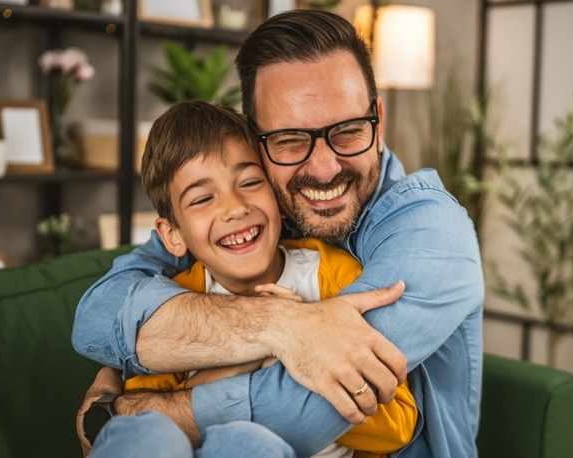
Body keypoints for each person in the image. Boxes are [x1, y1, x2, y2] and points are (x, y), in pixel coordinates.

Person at [73, 9, 484, 458]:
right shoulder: (259, 207)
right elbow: (99, 316)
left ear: (378, 120)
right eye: (290, 140)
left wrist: (139, 409)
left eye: (347, 131)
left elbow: (307, 412)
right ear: (257, 141)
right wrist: (285, 324)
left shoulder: (431, 232)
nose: (324, 168)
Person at [84, 101, 417, 458]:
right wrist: (258, 350)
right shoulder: (173, 302)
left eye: (250, 181)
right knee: (145, 434)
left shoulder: (336, 277)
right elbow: (141, 412)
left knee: (244, 443)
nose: (234, 207)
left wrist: (297, 355)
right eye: (201, 199)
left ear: (277, 191)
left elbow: (398, 422)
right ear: (173, 235)